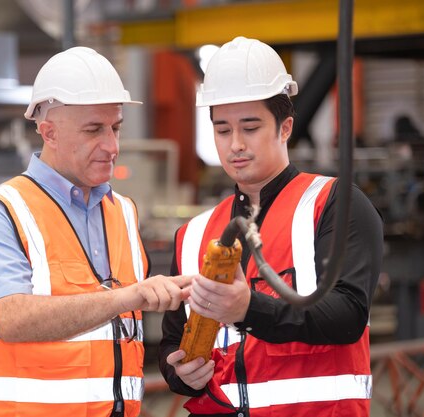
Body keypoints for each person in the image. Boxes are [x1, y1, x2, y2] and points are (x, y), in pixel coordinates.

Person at [0, 46, 193, 417]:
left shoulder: (123, 212)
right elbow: (12, 319)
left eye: (115, 128)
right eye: (94, 130)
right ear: (48, 132)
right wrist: (127, 297)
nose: (112, 146)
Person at [158, 36, 384, 417]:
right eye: (223, 130)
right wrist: (180, 373)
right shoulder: (193, 234)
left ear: (285, 127)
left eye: (250, 127)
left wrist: (250, 308)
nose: (235, 145)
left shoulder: (334, 204)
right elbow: (170, 341)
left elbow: (347, 315)